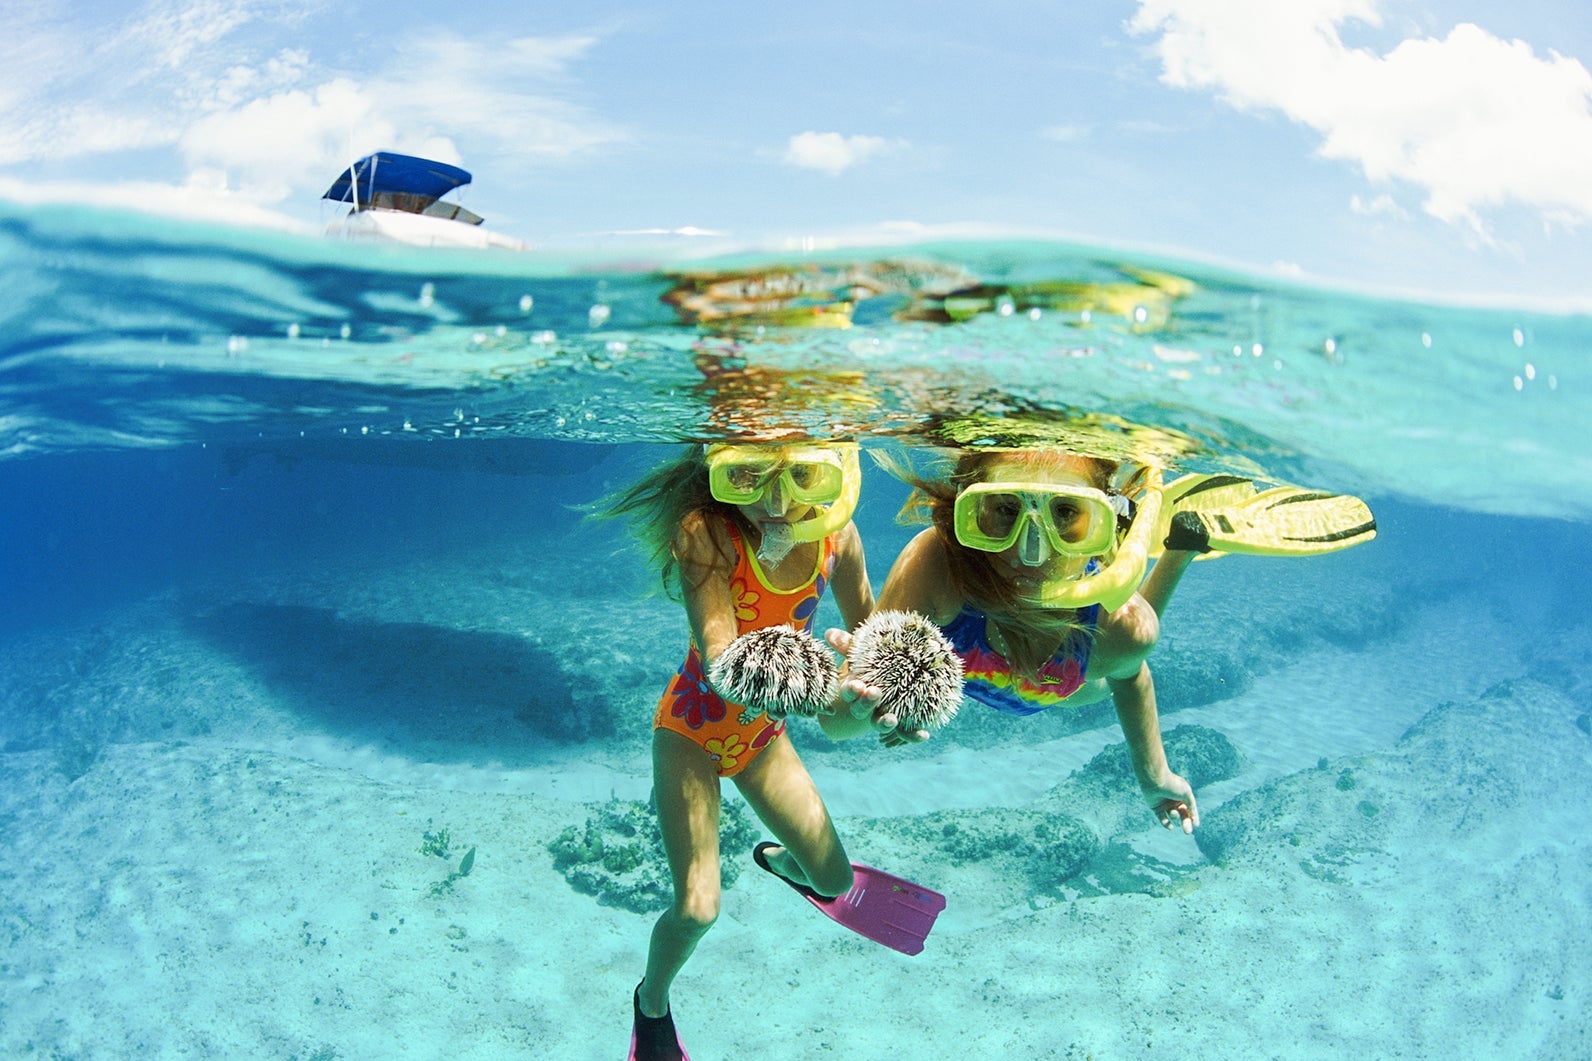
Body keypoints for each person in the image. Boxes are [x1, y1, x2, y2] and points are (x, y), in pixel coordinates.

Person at [600, 441, 880, 1061]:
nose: (776, 503)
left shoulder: (841, 537)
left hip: (760, 736)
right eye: (750, 477)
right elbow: (724, 657)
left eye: (800, 476)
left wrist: (882, 698)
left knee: (834, 881)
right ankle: (651, 1003)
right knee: (697, 909)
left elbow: (874, 645)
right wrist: (826, 689)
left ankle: (776, 859)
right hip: (691, 729)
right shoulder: (706, 531)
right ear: (719, 473)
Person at [827, 446, 1203, 833]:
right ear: (971, 511)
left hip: (1068, 687)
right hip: (1046, 676)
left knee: (1122, 657)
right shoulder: (939, 569)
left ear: (1103, 521)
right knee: (1124, 649)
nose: (1032, 552)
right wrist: (861, 706)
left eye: (1066, 512)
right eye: (1007, 510)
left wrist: (1155, 775)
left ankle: (1178, 555)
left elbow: (1131, 677)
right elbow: (834, 725)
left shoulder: (1119, 633)